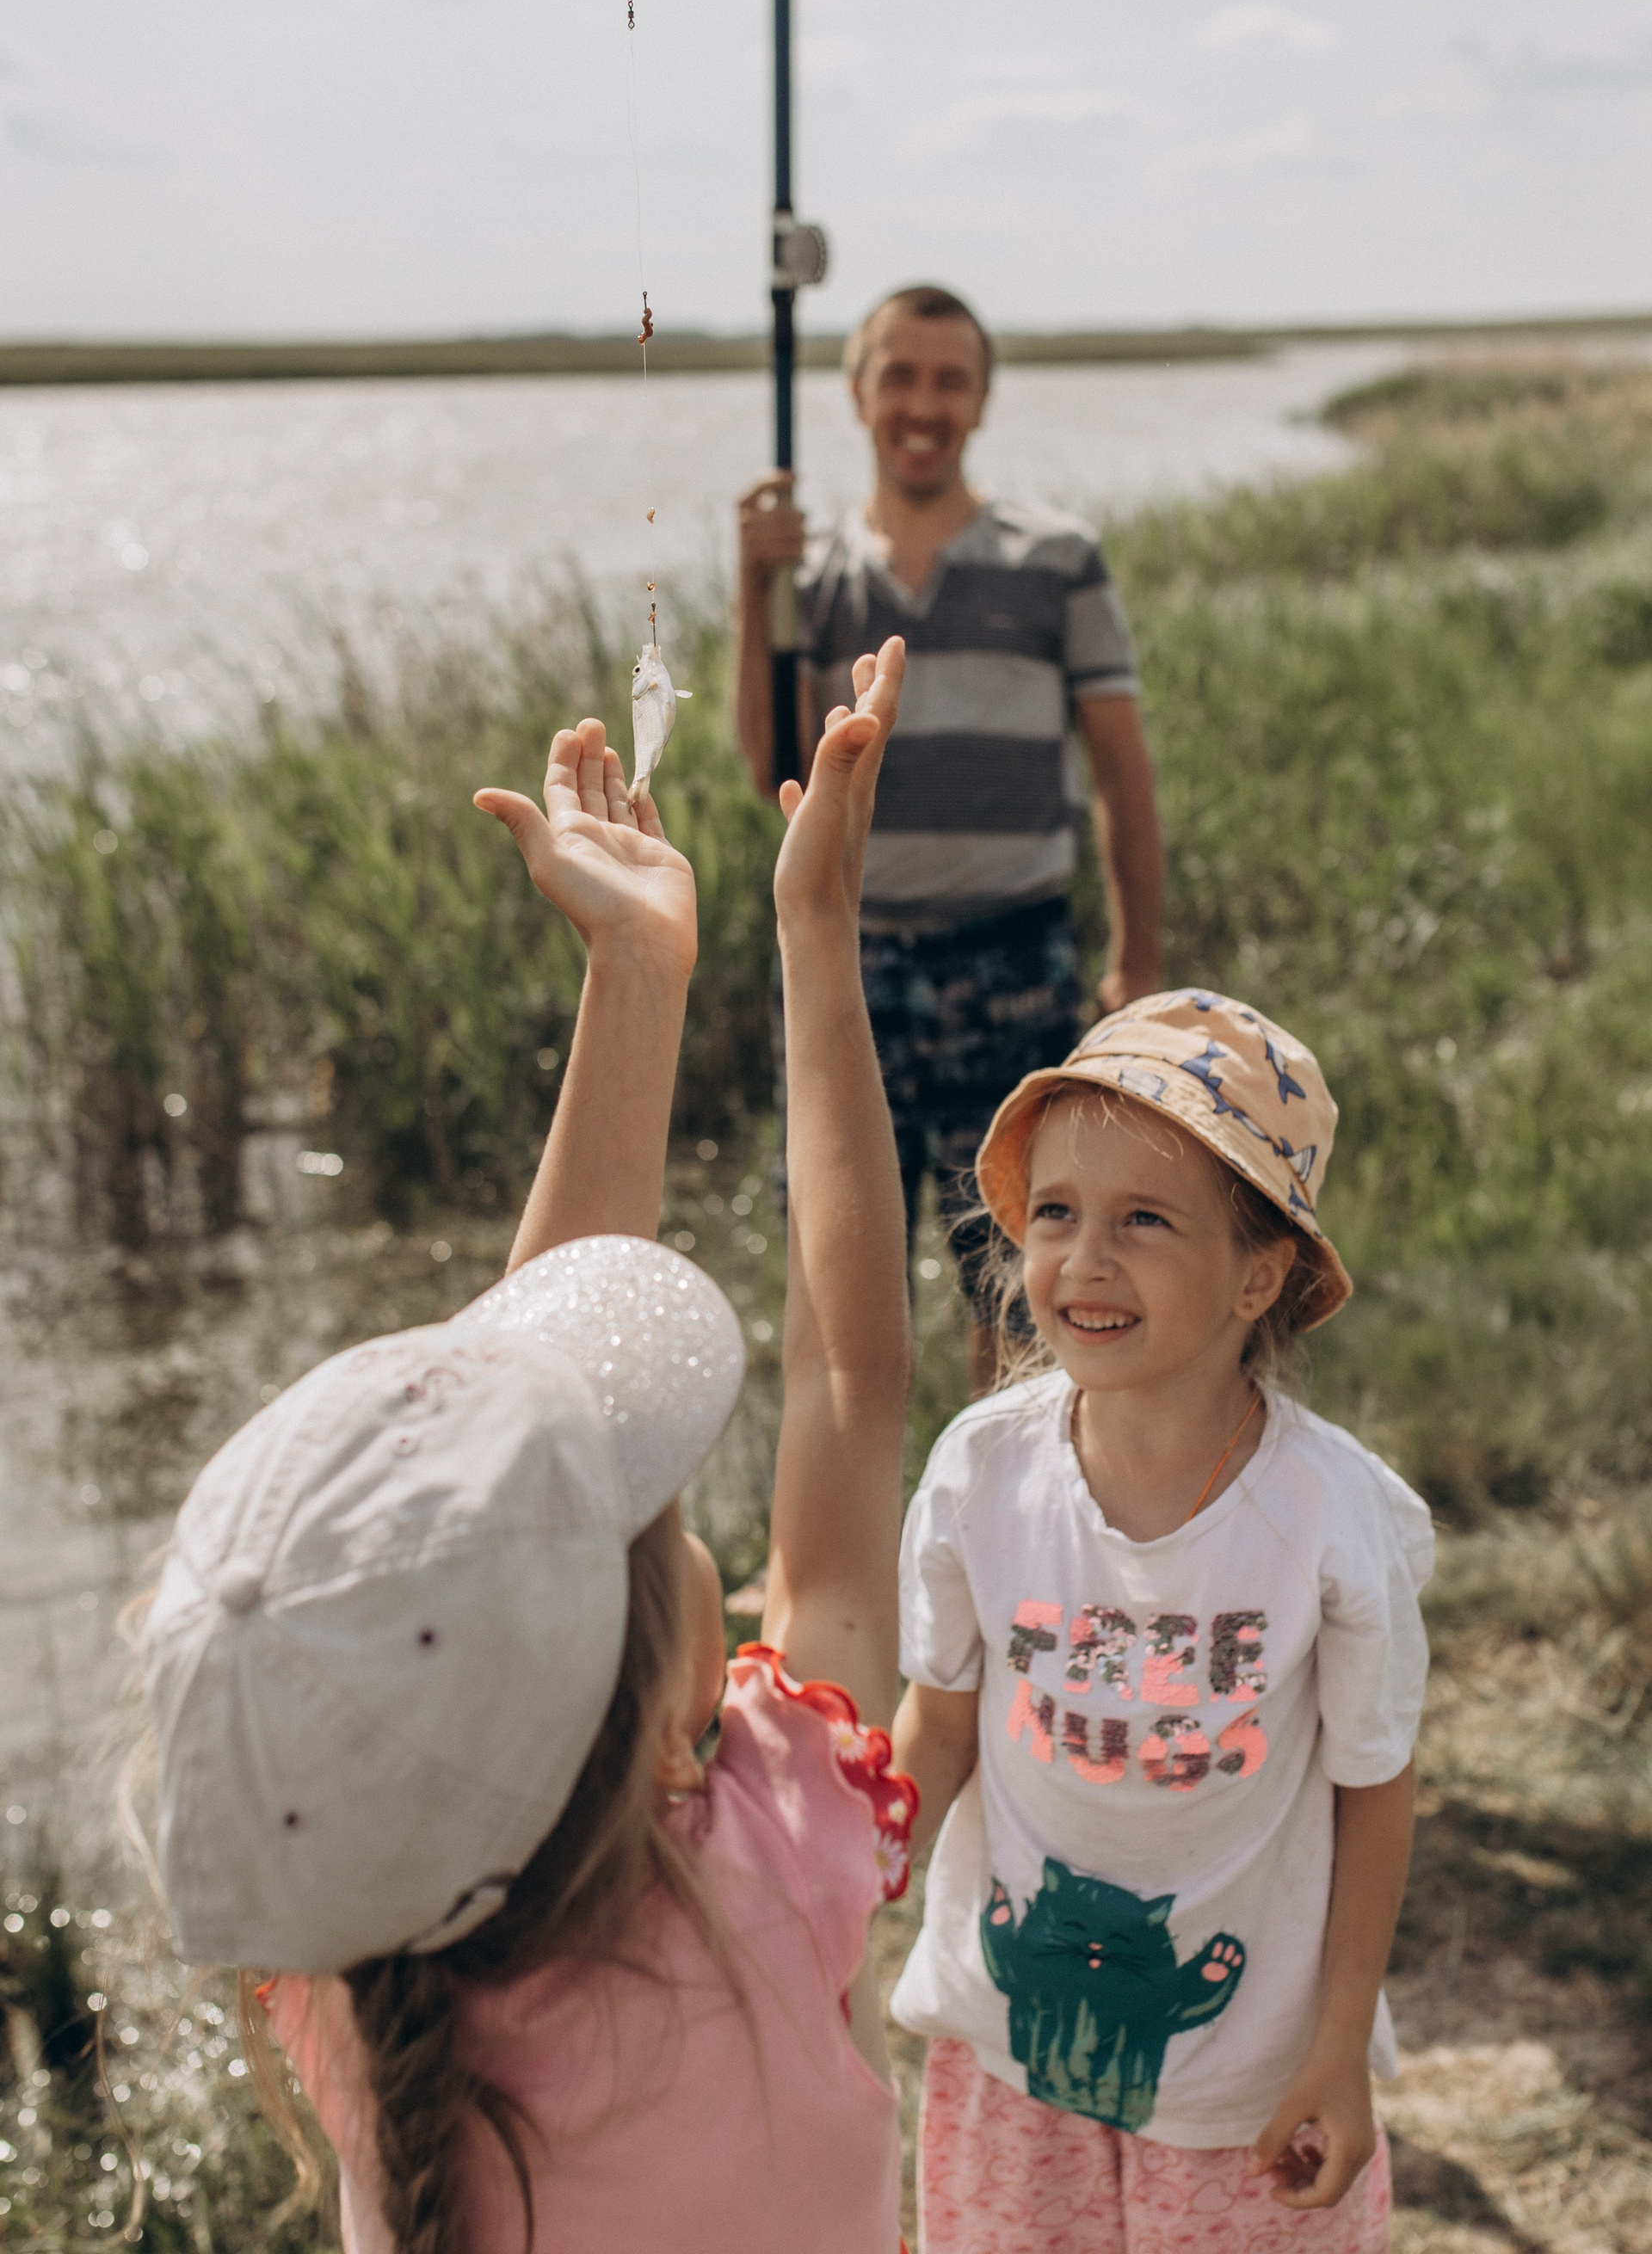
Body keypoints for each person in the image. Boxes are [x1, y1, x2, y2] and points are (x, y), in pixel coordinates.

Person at [135, 639, 919, 2253]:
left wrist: (633, 973)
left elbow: (500, 1437)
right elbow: (847, 1374)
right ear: (668, 1730)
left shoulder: (366, 1997)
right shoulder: (767, 1873)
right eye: (652, 1522)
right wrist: (815, 932)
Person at [888, 989, 1433, 2254]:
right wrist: (827, 1908)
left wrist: (1341, 2044)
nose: (1085, 1259)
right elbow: (941, 1729)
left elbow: (1375, 1786)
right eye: (1057, 1212)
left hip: (1248, 2088)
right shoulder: (981, 1472)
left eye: (1144, 1220)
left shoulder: (1326, 1516)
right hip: (1012, 2058)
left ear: (1261, 1274)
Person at [733, 284, 1162, 1387]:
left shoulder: (1058, 558)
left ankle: (1004, 1489)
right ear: (857, 393)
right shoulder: (811, 579)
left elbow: (1121, 772)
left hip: (1015, 956)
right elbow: (774, 769)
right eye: (900, 378)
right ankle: (858, 1503)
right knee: (836, 1286)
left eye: (949, 381)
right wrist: (753, 584)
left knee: (1022, 1288)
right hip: (847, 962)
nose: (923, 406)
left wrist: (1137, 961)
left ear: (981, 400)